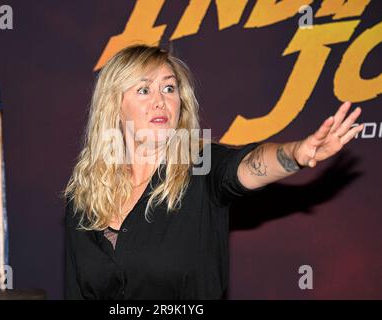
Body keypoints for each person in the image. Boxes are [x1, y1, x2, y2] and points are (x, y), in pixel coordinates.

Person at [64, 45, 364, 300]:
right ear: (115, 106)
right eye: (144, 89)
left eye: (169, 88)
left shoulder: (200, 165)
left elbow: (246, 165)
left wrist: (295, 153)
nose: (160, 100)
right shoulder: (86, 192)